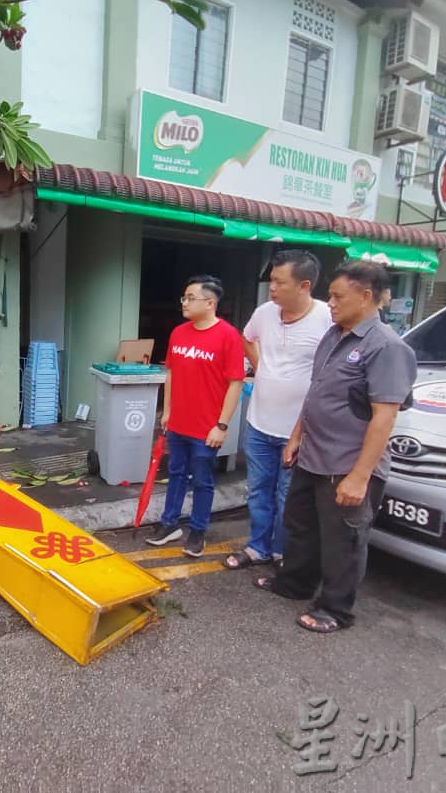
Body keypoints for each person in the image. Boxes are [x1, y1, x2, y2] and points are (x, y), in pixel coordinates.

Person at [254, 261, 416, 633]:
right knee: (301, 527)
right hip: (313, 456)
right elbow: (316, 394)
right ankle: (295, 583)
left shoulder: (387, 347)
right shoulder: (334, 335)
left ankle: (335, 609)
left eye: (337, 296)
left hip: (346, 465)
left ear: (366, 295)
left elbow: (384, 417)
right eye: (329, 296)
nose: (330, 303)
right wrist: (296, 436)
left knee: (343, 541)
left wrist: (359, 477)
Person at [225, 250, 332, 571]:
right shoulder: (265, 313)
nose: (272, 288)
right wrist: (263, 369)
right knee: (258, 491)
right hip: (259, 424)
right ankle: (257, 547)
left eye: (279, 282)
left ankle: (283, 551)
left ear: (304, 285)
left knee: (289, 497)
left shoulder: (326, 318)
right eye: (271, 280)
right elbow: (247, 339)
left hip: (298, 431)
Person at [145, 276, 245, 558]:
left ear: (210, 303)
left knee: (202, 480)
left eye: (190, 297)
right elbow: (171, 373)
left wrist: (221, 425)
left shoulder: (228, 336)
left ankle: (198, 530)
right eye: (184, 297)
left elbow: (235, 383)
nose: (185, 303)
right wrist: (168, 410)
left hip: (207, 428)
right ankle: (169, 524)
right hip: (178, 423)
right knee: (175, 474)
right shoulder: (178, 333)